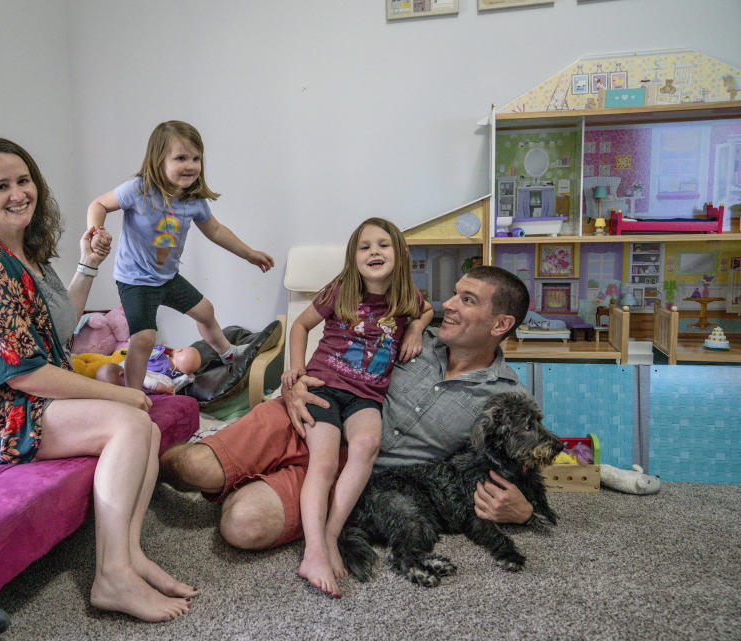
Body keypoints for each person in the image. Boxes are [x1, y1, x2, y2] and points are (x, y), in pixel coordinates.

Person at [0, 137, 194, 622]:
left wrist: (88, 264)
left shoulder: (26, 252)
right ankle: (111, 577)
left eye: (23, 180)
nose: (17, 194)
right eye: (1, 186)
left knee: (148, 427)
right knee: (131, 421)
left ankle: (129, 556)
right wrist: (121, 394)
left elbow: (60, 326)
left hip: (23, 396)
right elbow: (25, 374)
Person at [160, 265, 538, 595]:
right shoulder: (406, 335)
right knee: (190, 469)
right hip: (306, 414)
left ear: (501, 324)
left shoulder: (506, 396)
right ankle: (143, 459)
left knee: (241, 525)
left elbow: (532, 460)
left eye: (467, 300)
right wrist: (294, 384)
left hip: (355, 476)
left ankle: (251, 480)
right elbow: (333, 350)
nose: (449, 305)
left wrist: (525, 511)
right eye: (454, 294)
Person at [279, 217, 432, 597]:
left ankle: (331, 536)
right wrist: (296, 368)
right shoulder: (342, 289)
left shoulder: (407, 295)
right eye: (365, 247)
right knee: (326, 460)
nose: (374, 252)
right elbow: (299, 326)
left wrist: (414, 328)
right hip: (324, 385)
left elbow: (427, 311)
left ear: (400, 253)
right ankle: (313, 551)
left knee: (366, 445)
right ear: (353, 258)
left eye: (383, 244)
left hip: (366, 395)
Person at [86, 120, 275, 392]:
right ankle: (133, 395)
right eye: (181, 158)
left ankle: (228, 353)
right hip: (135, 280)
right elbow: (99, 203)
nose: (190, 165)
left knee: (205, 310)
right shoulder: (139, 190)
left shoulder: (193, 200)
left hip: (166, 278)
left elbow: (216, 230)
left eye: (196, 158)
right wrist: (96, 230)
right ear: (158, 160)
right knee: (144, 338)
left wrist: (249, 254)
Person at [96, 344, 202, 395]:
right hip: (161, 379)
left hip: (160, 381)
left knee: (172, 385)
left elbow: (152, 383)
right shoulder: (160, 356)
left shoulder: (134, 374)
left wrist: (165, 388)